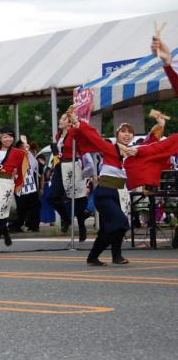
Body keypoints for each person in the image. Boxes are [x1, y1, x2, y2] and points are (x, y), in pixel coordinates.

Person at [67, 110, 178, 265]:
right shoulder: (109, 148)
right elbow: (93, 137)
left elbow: (154, 146)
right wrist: (77, 122)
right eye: (123, 132)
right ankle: (107, 255)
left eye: (130, 132)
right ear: (117, 134)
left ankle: (104, 257)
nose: (127, 135)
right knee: (120, 224)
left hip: (120, 194)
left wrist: (160, 125)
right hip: (105, 193)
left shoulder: (134, 152)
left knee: (108, 228)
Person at [9, 138, 42, 233]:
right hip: (19, 186)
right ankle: (18, 225)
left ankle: (34, 225)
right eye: (24, 146)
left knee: (34, 207)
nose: (26, 148)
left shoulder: (28, 155)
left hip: (31, 185)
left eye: (27, 146)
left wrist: (28, 154)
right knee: (21, 208)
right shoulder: (14, 156)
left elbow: (35, 165)